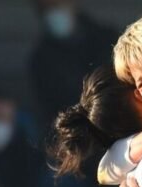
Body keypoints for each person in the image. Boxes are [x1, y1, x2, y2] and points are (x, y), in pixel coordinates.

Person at [28, 0, 120, 129]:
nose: (53, 12)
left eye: (56, 5)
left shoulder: (105, 39)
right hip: (72, 130)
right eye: (46, 9)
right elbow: (48, 106)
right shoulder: (41, 57)